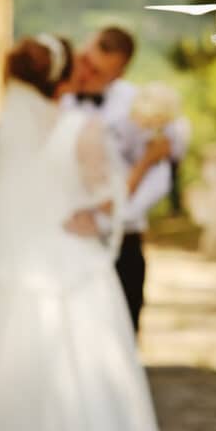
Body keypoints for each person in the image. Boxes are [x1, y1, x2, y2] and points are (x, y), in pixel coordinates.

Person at [0, 34, 162, 431]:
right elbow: (111, 198)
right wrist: (145, 162)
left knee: (0, 374)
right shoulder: (83, 130)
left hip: (14, 268)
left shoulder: (0, 136)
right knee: (87, 378)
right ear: (63, 82)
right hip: (73, 264)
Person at [64, 27, 190, 334]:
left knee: (122, 330)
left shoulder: (136, 104)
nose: (88, 73)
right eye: (88, 62)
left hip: (124, 237)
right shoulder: (57, 100)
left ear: (119, 72)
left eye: (100, 71)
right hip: (68, 236)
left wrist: (121, 214)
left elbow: (162, 159)